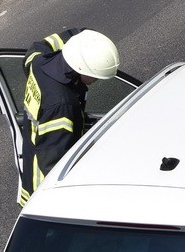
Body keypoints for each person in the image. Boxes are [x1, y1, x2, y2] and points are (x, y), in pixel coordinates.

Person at [19, 28, 120, 206]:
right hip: (43, 185)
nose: (96, 80)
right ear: (80, 67)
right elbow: (54, 160)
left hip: (31, 153)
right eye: (94, 76)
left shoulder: (38, 61)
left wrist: (82, 36)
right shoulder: (62, 106)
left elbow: (41, 45)